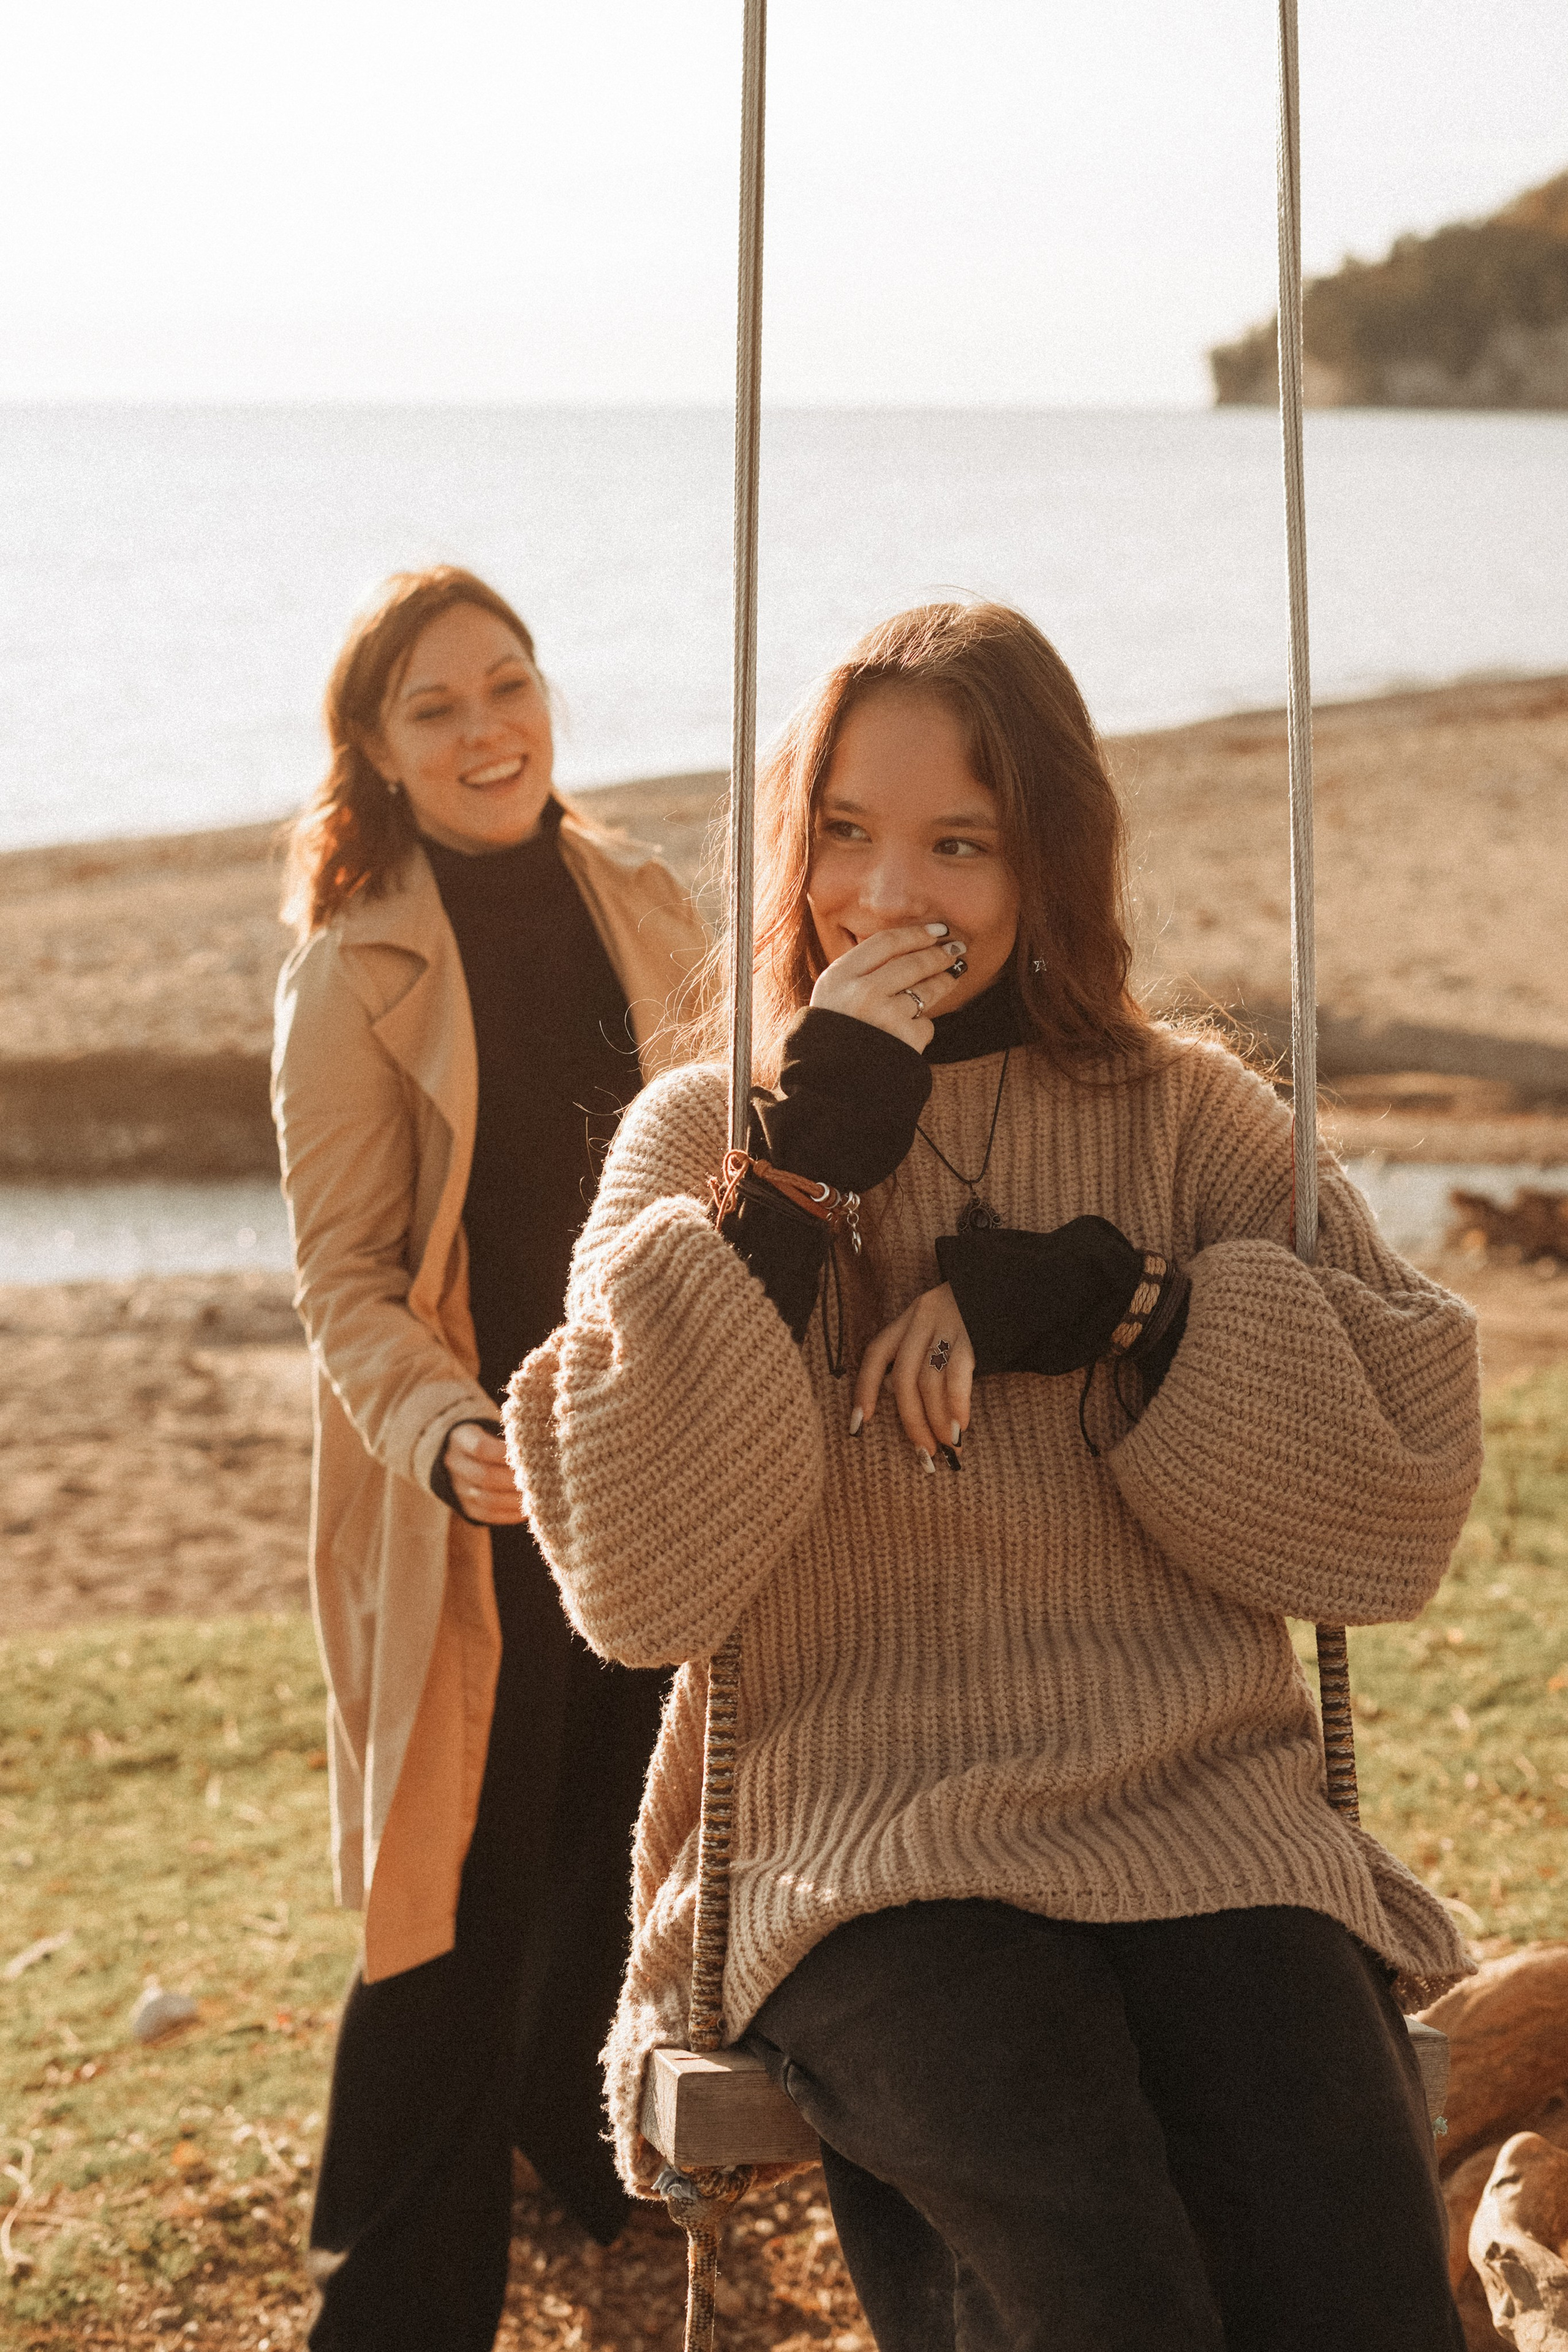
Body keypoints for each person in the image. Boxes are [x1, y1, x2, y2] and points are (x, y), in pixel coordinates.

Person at [503, 600, 1485, 2351]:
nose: (891, 898)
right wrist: (796, 1196)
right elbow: (639, 1589)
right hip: (862, 1828)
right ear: (795, 844)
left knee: (1345, 2256)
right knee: (1087, 2273)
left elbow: (1399, 1500)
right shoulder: (702, 1137)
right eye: (846, 837)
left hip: (1200, 1805)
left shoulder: (1187, 1119)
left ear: (1050, 863)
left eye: (960, 844)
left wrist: (1144, 1310)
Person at [271, 565, 706, 2351]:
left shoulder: (648, 900)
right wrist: (445, 1430)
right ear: (376, 750)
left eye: (506, 686)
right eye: (435, 708)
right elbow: (345, 1283)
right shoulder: (348, 970)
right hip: (472, 1493)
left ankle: (579, 2141)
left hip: (641, 1458)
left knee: (619, 1832)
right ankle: (393, 2292)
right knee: (452, 1895)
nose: (485, 730)